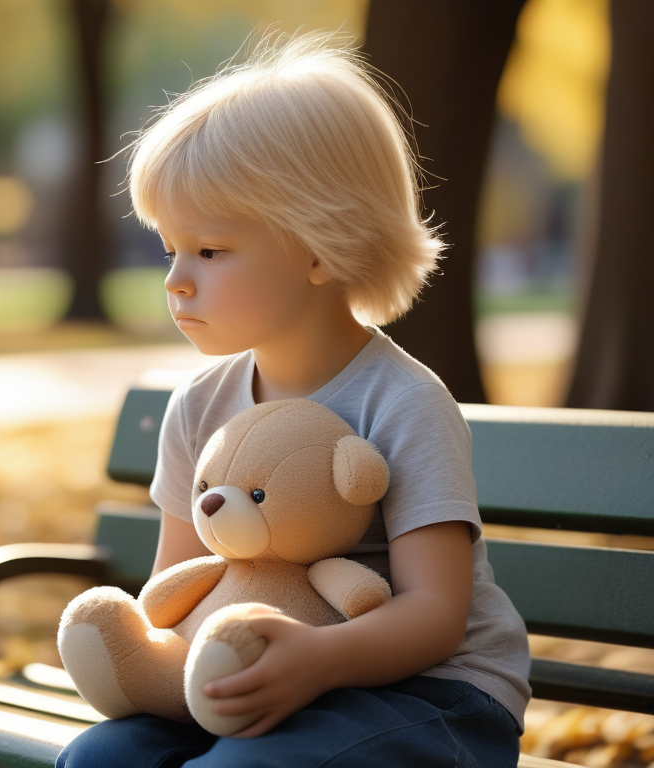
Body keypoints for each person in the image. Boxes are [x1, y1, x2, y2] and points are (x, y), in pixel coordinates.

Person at [57, 31, 530, 767]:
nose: (176, 280)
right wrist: (155, 664)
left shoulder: (401, 401)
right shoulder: (199, 407)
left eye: (209, 251)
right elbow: (177, 591)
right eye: (169, 248)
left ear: (319, 246)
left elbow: (436, 617)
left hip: (435, 698)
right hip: (260, 681)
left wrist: (317, 658)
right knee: (101, 760)